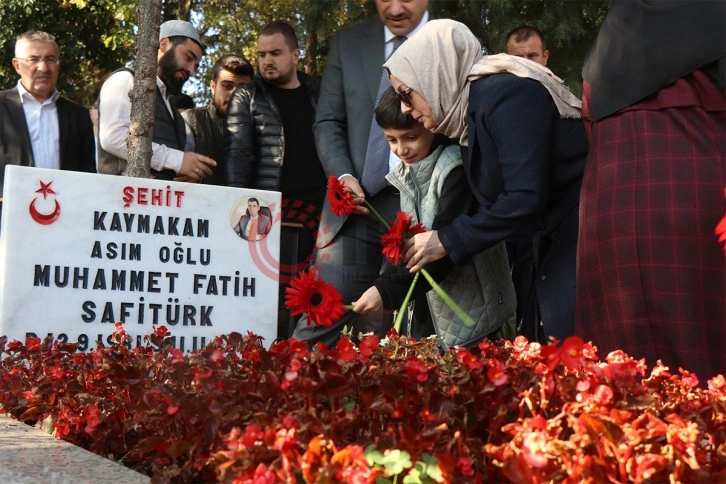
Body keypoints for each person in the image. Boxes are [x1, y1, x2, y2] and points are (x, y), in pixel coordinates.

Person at [386, 19, 587, 341]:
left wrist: (448, 239)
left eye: (408, 94)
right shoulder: (469, 114)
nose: (406, 109)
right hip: (556, 236)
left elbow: (524, 197)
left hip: (584, 231)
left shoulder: (504, 95)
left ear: (435, 73)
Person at [576, 0, 725, 379]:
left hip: (609, 219)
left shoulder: (606, 46)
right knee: (705, 375)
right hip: (695, 201)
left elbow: (590, 125)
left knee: (627, 382)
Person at [292, 0, 431, 347]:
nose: (396, 8)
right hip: (354, 210)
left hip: (425, 213)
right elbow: (327, 122)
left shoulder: (447, 42)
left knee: (418, 337)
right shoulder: (349, 42)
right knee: (318, 326)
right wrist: (342, 175)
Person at [352, 87, 516, 347]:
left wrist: (386, 291)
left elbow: (441, 250)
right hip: (430, 307)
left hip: (474, 315)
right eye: (391, 140)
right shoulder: (410, 170)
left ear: (432, 124)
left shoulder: (455, 169)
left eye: (410, 137)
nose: (401, 150)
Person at [225, 20, 326, 274]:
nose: (267, 60)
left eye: (275, 53)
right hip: (269, 214)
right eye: (262, 55)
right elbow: (238, 156)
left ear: (295, 55)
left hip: (319, 216)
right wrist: (237, 216)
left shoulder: (320, 93)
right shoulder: (246, 97)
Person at [97, 20, 216, 183]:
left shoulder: (173, 111)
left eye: (195, 66)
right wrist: (178, 160)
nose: (191, 70)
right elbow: (113, 138)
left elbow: (166, 167)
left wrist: (182, 174)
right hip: (120, 202)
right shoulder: (126, 80)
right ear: (164, 44)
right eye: (188, 57)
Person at [0, 30, 95, 198]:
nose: (43, 68)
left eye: (50, 59)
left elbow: (87, 174)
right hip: (7, 213)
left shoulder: (77, 115)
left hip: (63, 214)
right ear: (17, 65)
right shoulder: (2, 107)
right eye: (34, 59)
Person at [503, 25, 550, 340]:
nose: (526, 64)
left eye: (532, 56)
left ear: (546, 57)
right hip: (509, 220)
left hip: (552, 219)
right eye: (517, 58)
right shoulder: (496, 106)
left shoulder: (563, 100)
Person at [184, 54, 253, 185]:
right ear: (213, 87)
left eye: (243, 88)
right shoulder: (191, 121)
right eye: (227, 86)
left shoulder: (263, 128)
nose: (235, 94)